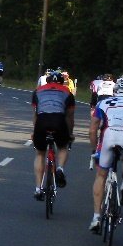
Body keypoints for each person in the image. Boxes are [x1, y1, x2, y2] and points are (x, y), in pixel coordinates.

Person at [88, 76, 123, 232]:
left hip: (108, 136)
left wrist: (94, 150)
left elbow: (93, 130)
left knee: (101, 175)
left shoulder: (102, 103)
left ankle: (96, 217)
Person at [31, 70, 76, 200]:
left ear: (47, 81)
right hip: (59, 120)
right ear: (62, 82)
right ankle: (60, 169)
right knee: (62, 146)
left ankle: (38, 188)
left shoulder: (37, 91)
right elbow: (69, 117)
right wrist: (70, 134)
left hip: (42, 121)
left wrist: (35, 132)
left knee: (40, 153)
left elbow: (35, 115)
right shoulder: (67, 92)